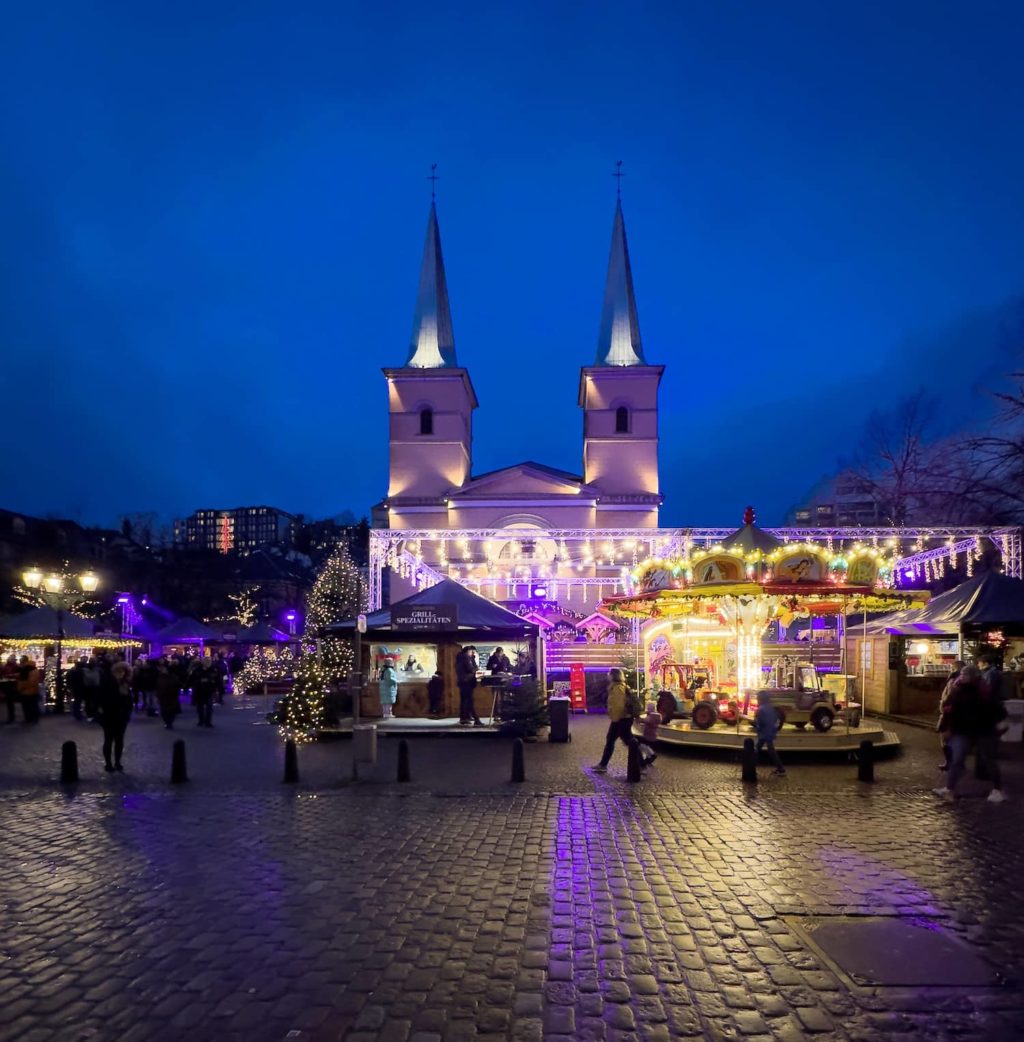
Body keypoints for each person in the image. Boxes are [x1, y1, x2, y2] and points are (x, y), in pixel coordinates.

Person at [934, 663, 1006, 803]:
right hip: (963, 730)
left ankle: (998, 790)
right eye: (961, 673)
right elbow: (951, 709)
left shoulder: (983, 691)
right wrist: (948, 727)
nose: (962, 676)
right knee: (957, 759)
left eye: (965, 674)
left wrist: (990, 723)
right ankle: (949, 789)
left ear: (973, 676)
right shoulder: (958, 689)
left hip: (983, 730)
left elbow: (995, 710)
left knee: (988, 759)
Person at [593, 668, 639, 773]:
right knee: (628, 741)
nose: (607, 675)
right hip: (624, 718)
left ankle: (603, 765)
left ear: (614, 676)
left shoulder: (618, 688)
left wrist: (615, 719)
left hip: (621, 719)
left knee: (612, 740)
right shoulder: (617, 687)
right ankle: (644, 760)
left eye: (609, 674)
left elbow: (619, 705)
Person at [97, 658, 132, 772]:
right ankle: (108, 763)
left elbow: (129, 700)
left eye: (124, 671)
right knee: (108, 740)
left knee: (119, 740)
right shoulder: (107, 681)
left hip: (121, 716)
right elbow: (102, 697)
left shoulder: (125, 684)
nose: (121, 674)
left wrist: (127, 712)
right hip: (109, 715)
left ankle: (117, 762)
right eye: (120, 671)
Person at [937, 661, 964, 770]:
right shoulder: (967, 681)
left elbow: (949, 695)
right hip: (960, 714)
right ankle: (957, 762)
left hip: (949, 713)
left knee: (945, 738)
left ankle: (951, 763)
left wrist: (943, 703)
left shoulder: (953, 679)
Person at [753, 693, 786, 775]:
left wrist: (757, 728)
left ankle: (780, 768)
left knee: (763, 750)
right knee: (760, 748)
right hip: (770, 731)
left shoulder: (761, 709)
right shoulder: (771, 707)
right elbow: (775, 719)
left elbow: (759, 722)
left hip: (764, 732)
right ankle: (780, 768)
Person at [455, 646, 483, 726]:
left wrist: (473, 659)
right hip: (467, 681)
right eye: (472, 652)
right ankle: (476, 718)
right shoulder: (466, 658)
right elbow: (471, 669)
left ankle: (464, 717)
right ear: (468, 651)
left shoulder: (460, 658)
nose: (472, 653)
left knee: (464, 700)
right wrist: (475, 667)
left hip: (463, 682)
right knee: (469, 700)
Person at [191, 658, 219, 727]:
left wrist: (215, 686)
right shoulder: (197, 670)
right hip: (199, 691)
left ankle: (208, 722)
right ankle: (201, 720)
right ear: (203, 662)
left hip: (209, 691)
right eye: (206, 661)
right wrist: (200, 681)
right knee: (200, 707)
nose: (207, 663)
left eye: (209, 662)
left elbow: (217, 680)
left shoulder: (213, 670)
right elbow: (192, 679)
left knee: (209, 707)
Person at [155, 659, 181, 729]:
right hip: (163, 696)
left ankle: (169, 722)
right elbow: (157, 686)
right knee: (164, 711)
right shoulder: (159, 677)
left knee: (171, 710)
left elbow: (177, 685)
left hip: (171, 696)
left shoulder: (173, 677)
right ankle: (167, 722)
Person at [16, 656, 41, 724]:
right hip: (34, 690)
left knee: (26, 706)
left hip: (26, 691)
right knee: (34, 705)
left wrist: (20, 689)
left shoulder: (25, 670)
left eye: (20, 662)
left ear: (23, 662)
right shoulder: (35, 669)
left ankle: (29, 719)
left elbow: (24, 681)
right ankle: (35, 718)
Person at [637, 701, 662, 767]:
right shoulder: (658, 715)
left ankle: (652, 755)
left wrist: (639, 719)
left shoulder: (652, 716)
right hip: (653, 734)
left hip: (649, 734)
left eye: (648, 708)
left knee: (643, 745)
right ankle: (648, 759)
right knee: (646, 746)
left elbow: (646, 720)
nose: (647, 709)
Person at [3, 653, 21, 723]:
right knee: (10, 702)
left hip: (12, 685)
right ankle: (11, 716)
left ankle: (11, 716)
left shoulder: (15, 666)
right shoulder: (14, 666)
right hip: (10, 685)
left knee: (10, 702)